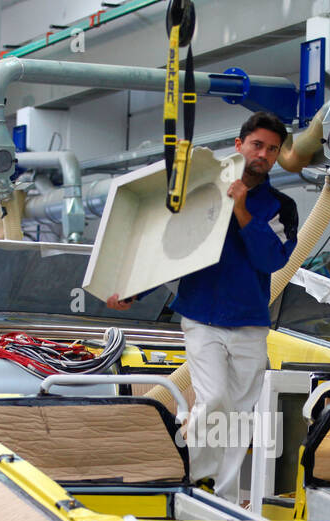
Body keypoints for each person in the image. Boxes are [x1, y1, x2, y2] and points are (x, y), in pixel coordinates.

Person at [108, 110, 298, 499]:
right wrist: (133, 291)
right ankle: (197, 483)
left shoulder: (281, 206)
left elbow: (272, 260)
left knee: (239, 416)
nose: (263, 154)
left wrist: (243, 210)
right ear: (239, 145)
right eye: (257, 144)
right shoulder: (200, 190)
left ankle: (221, 497)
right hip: (202, 318)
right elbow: (170, 250)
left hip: (249, 323)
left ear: (277, 156)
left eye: (272, 149)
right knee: (213, 400)